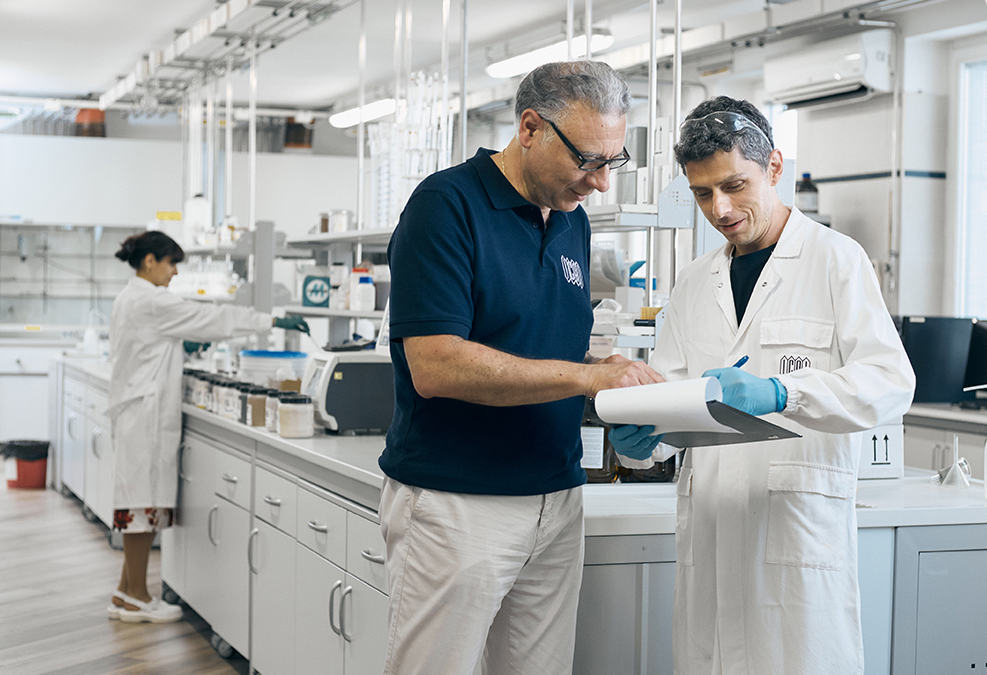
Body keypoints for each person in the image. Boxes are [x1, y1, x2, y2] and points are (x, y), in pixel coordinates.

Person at [611, 96, 915, 674]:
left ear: (774, 167)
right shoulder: (695, 282)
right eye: (702, 193)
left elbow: (890, 382)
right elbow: (674, 400)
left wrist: (784, 394)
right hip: (711, 531)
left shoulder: (835, 260)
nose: (719, 208)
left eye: (734, 185)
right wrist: (645, 440)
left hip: (796, 539)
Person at [378, 60, 664, 675]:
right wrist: (587, 377)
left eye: (612, 162)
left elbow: (540, 349)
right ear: (530, 127)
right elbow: (436, 364)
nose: (601, 183)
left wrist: (619, 389)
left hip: (557, 495)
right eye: (588, 160)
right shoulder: (445, 205)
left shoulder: (572, 221)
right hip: (459, 501)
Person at [105, 230, 307, 623]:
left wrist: (181, 345)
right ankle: (137, 598)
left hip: (136, 411)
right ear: (150, 261)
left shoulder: (130, 296)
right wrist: (271, 319)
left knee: (137, 501)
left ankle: (125, 592)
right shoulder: (151, 300)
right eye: (171, 263)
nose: (175, 272)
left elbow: (157, 341)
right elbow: (210, 318)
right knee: (142, 505)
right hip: (144, 415)